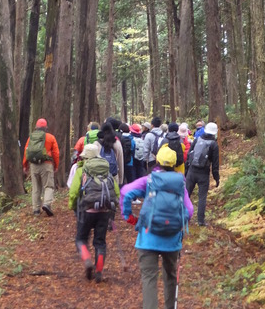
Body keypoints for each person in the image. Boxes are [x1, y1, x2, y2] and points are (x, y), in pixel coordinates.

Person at [120, 145, 194, 309]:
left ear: (158, 161)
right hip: (172, 241)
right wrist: (176, 224)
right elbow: (189, 211)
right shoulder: (180, 183)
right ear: (175, 164)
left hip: (148, 238)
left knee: (149, 279)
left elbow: (126, 192)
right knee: (170, 277)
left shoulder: (149, 180)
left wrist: (129, 217)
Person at [68, 142, 119, 283]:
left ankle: (87, 260)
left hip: (86, 210)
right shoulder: (106, 171)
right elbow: (116, 192)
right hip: (104, 210)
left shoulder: (81, 170)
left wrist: (72, 206)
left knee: (81, 238)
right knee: (100, 242)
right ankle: (99, 272)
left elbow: (73, 193)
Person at [22, 118, 60, 216]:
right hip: (47, 164)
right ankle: (47, 203)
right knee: (48, 186)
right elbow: (56, 153)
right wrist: (56, 165)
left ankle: (36, 209)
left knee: (36, 187)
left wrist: (25, 165)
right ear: (46, 127)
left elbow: (27, 151)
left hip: (34, 165)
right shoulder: (51, 137)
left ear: (36, 127)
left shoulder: (31, 138)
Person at [185, 122, 220, 227]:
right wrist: (216, 178)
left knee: (186, 195)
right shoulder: (214, 144)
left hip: (191, 171)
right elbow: (215, 164)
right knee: (202, 197)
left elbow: (189, 156)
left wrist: (186, 172)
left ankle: (181, 216)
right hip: (203, 173)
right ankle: (200, 221)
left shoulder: (197, 139)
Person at [97, 121, 125, 186]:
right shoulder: (117, 143)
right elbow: (120, 162)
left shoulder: (97, 144)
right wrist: (121, 180)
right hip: (114, 178)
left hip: (99, 178)